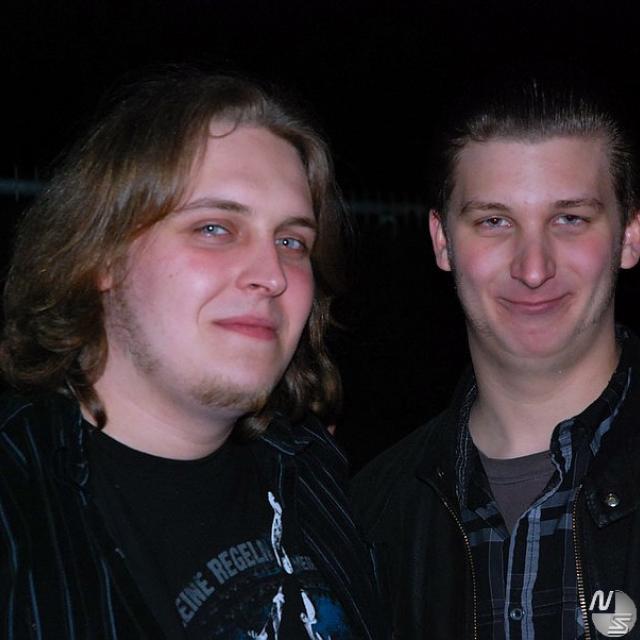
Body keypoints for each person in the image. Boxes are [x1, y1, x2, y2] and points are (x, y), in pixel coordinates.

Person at [0, 69, 384, 639]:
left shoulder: (311, 473)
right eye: (214, 228)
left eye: (291, 241)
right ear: (101, 256)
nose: (272, 275)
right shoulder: (19, 502)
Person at [352, 78, 640, 639]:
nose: (533, 269)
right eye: (494, 221)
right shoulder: (368, 521)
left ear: (629, 235)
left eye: (570, 219)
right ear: (442, 241)